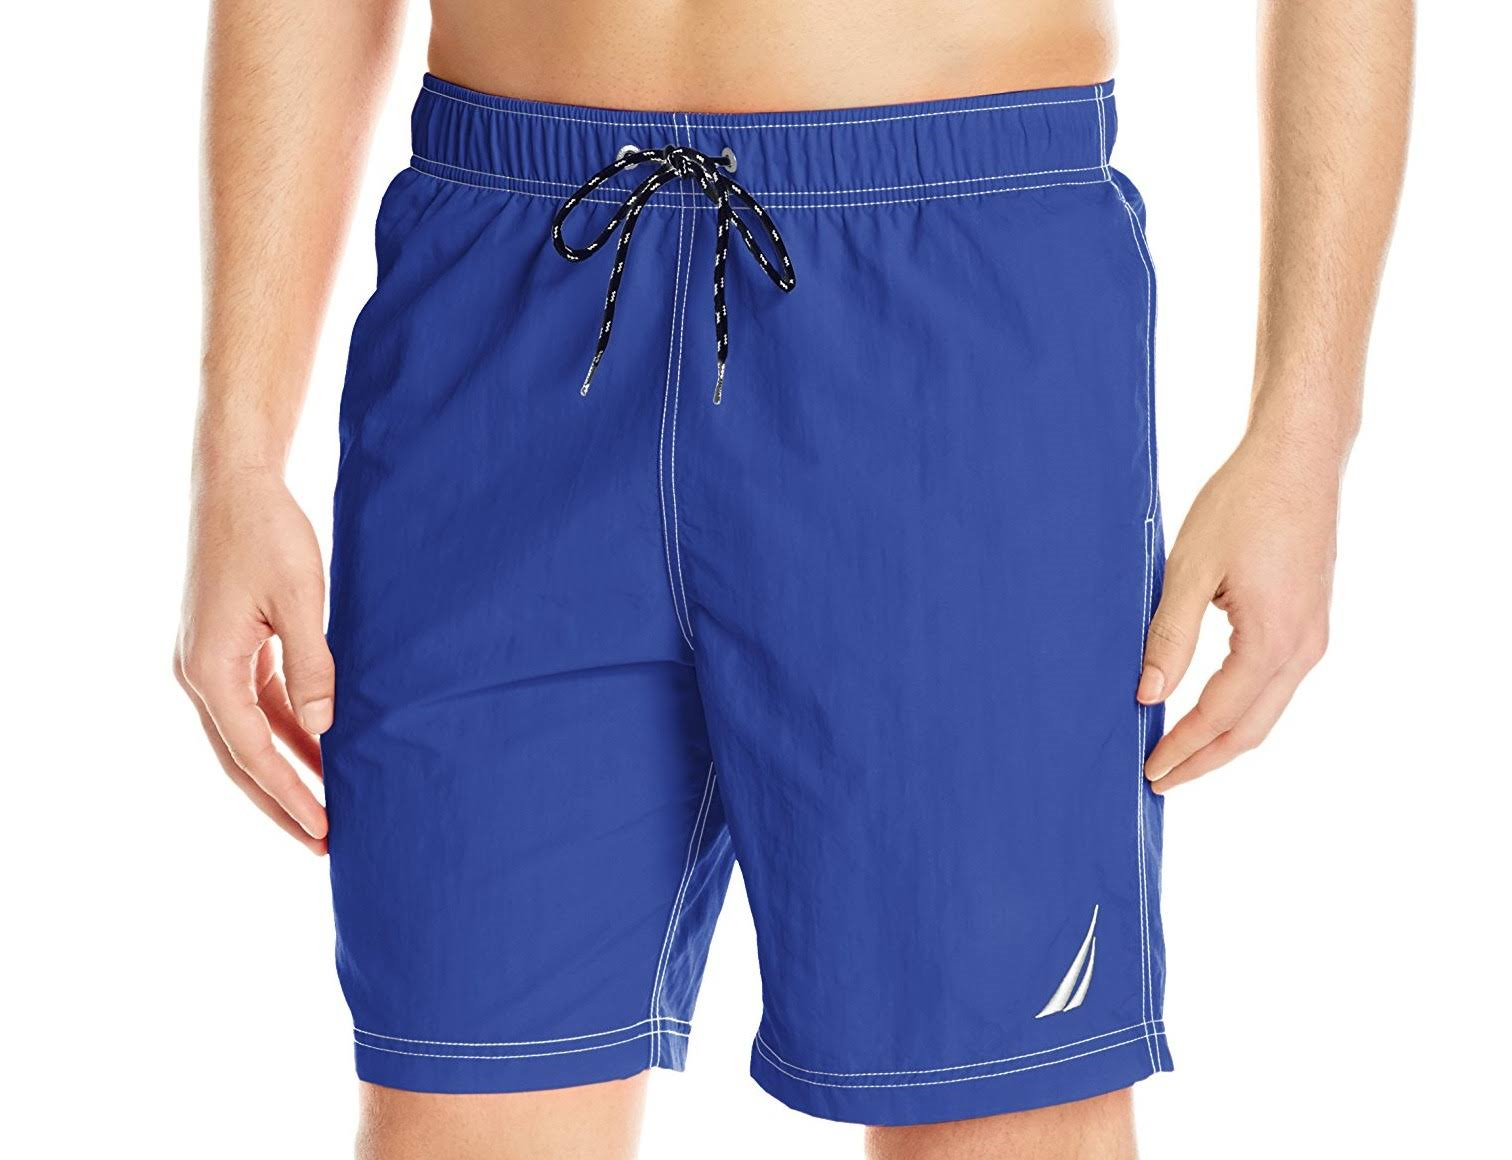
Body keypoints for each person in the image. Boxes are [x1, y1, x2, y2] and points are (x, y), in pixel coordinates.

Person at [174, 0, 1412, 1156]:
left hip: (946, 305)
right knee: (462, 1104)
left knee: (993, 1115)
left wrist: (1305, 433)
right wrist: (237, 451)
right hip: (501, 297)